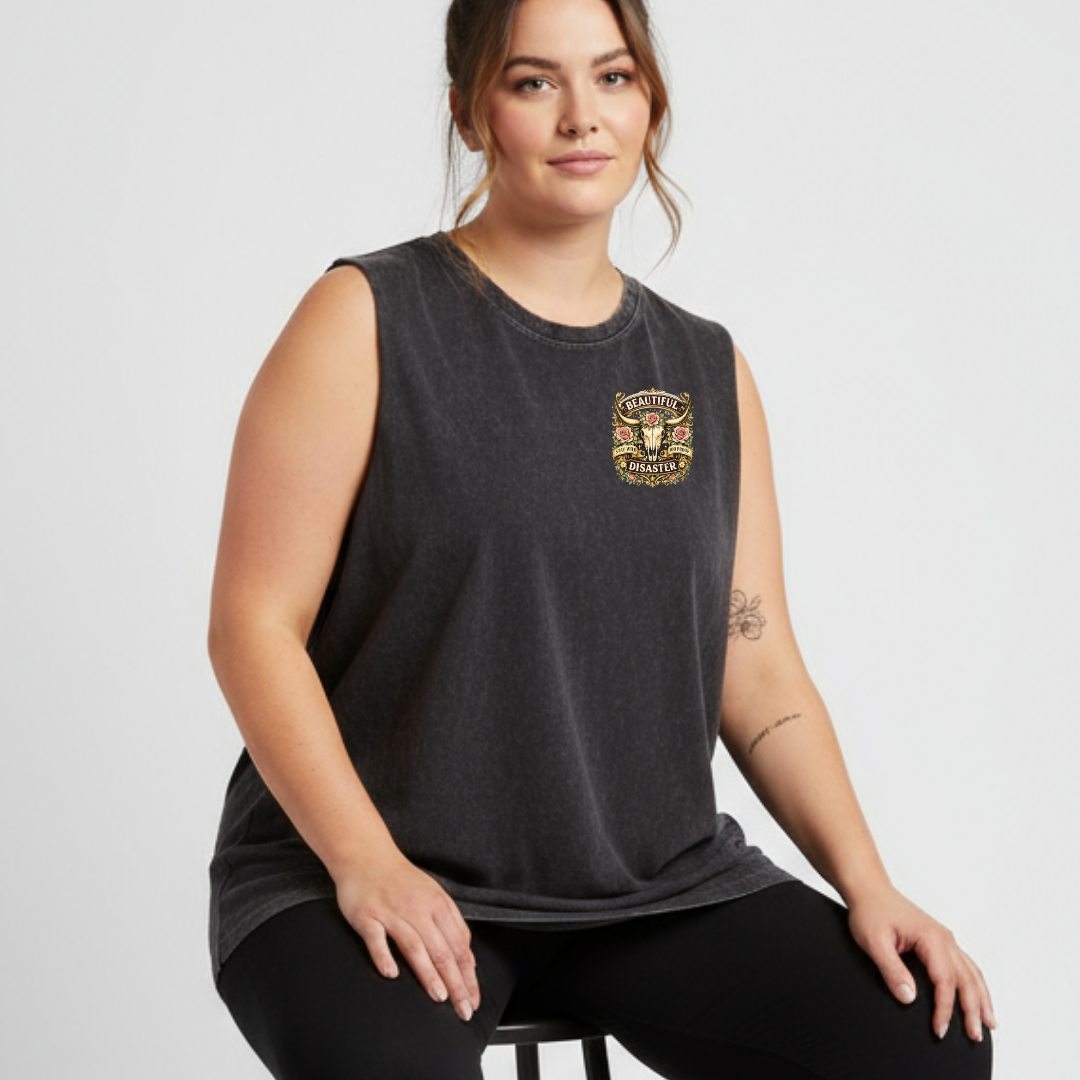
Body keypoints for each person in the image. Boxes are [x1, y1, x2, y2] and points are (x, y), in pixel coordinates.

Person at [205, 1, 996, 1077]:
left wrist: (869, 882)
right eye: (535, 83)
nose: (582, 116)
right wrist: (365, 863)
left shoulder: (705, 370)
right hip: (368, 869)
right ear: (470, 112)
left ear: (650, 104)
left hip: (646, 889)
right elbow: (254, 625)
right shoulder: (366, 317)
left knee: (924, 1047)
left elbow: (755, 667)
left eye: (612, 78)